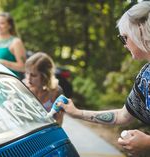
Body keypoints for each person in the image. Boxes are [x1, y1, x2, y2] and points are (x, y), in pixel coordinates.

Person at [58, 1, 150, 156]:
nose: (124, 45)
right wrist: (76, 113)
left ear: (140, 31)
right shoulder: (145, 76)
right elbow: (122, 115)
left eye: (124, 38)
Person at [23, 52, 64, 125]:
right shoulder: (22, 87)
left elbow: (59, 121)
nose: (28, 78)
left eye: (34, 75)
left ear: (45, 76)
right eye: (27, 73)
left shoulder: (56, 92)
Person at [0, 12, 26, 79]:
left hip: (12, 83)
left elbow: (23, 67)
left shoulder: (16, 42)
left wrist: (3, 62)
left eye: (2, 23)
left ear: (9, 26)